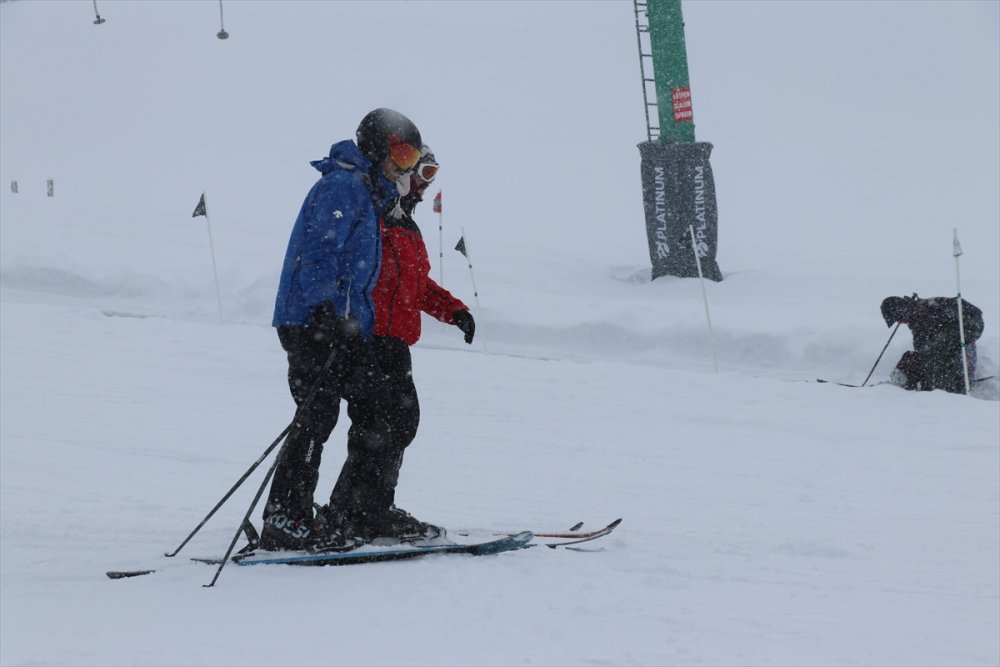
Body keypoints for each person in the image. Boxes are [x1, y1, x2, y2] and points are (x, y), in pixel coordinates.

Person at [264, 108, 424, 552]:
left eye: (412, 158)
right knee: (315, 417)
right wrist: (324, 310)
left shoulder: (365, 191)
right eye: (401, 154)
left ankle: (360, 509)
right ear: (377, 147)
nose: (405, 166)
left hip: (340, 326)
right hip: (311, 322)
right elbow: (320, 252)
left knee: (383, 411)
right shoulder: (343, 186)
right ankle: (287, 518)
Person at [322, 145, 475, 544]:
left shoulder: (407, 224)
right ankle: (357, 511)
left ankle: (369, 505)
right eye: (423, 172)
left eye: (432, 175)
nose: (426, 185)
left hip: (395, 342)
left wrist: (454, 311)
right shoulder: (373, 215)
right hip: (366, 336)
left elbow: (417, 284)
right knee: (376, 424)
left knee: (401, 423)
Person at [880, 294, 984, 393]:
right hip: (960, 328)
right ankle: (932, 383)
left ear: (901, 312)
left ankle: (949, 386)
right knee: (927, 352)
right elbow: (921, 342)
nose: (899, 322)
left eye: (898, 319)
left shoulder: (926, 311)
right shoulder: (915, 314)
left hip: (969, 325)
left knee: (933, 353)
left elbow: (928, 343)